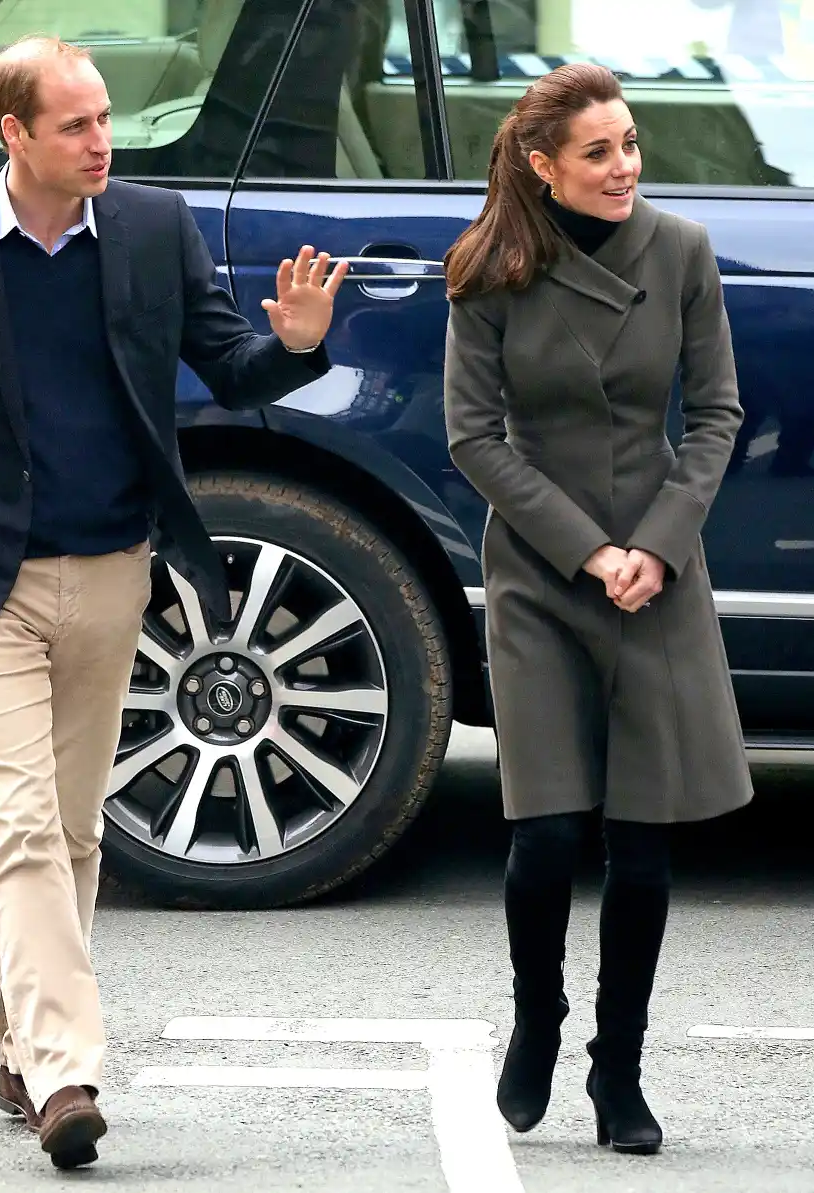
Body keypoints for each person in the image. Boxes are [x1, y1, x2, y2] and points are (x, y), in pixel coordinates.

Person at [0, 35, 347, 1170]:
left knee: (70, 830)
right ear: (15, 134)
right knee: (16, 828)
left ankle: (18, 1036)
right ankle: (66, 1072)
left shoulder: (154, 228)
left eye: (107, 119)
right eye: (77, 125)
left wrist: (292, 349)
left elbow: (229, 363)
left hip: (112, 571)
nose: (104, 140)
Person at [442, 62, 752, 1155]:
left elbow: (714, 414)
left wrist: (655, 548)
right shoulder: (487, 270)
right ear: (543, 166)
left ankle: (617, 1064)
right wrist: (588, 550)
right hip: (540, 568)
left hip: (656, 569)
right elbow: (474, 437)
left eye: (629, 145)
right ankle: (538, 1015)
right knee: (546, 830)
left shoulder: (682, 254)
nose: (624, 167)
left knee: (643, 841)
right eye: (598, 151)